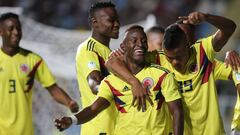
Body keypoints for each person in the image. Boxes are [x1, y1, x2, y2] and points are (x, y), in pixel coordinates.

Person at [106, 12, 236, 135]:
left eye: (179, 57)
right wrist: (134, 82)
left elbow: (230, 28)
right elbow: (111, 62)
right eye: (170, 58)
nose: (174, 63)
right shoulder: (158, 58)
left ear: (187, 45)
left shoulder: (202, 51)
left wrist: (207, 17)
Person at [55, 25, 184, 135]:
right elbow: (94, 108)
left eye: (143, 41)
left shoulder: (161, 75)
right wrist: (72, 120)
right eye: (134, 40)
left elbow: (177, 110)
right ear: (123, 47)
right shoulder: (111, 81)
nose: (140, 44)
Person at [0, 12, 79, 135]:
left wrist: (69, 102)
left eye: (18, 28)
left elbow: (52, 88)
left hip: (25, 131)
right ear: (1, 32)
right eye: (11, 29)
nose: (16, 32)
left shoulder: (33, 59)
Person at [75, 2, 120, 135]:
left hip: (113, 127)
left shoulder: (108, 52)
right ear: (95, 23)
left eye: (117, 20)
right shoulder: (88, 50)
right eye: (111, 20)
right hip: (99, 128)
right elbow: (95, 87)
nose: (117, 24)